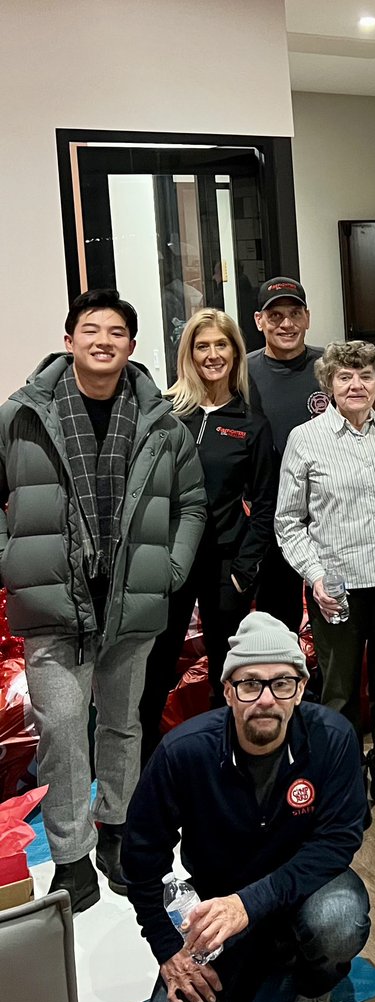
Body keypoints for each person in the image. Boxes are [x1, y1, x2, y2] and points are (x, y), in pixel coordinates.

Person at [0, 289, 206, 913]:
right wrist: (11, 560)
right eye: (90, 329)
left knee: (122, 723)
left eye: (116, 332)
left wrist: (169, 567)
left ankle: (116, 833)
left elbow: (191, 501)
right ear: (69, 340)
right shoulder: (22, 415)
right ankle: (70, 857)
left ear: (132, 346)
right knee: (61, 731)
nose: (103, 340)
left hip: (130, 602)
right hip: (53, 606)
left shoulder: (162, 424)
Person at [123, 612, 370, 1002]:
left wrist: (250, 904)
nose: (266, 700)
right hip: (219, 915)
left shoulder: (334, 739)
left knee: (340, 916)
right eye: (250, 683)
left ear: (300, 688)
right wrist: (167, 947)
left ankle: (315, 989)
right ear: (228, 691)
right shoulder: (184, 752)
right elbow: (140, 861)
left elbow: (338, 841)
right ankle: (267, 962)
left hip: (304, 891)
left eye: (282, 683)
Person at [137, 308, 276, 764]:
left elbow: (265, 504)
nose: (212, 355)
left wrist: (244, 569)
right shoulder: (164, 414)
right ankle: (140, 768)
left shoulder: (251, 425)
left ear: (236, 353)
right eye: (202, 346)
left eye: (221, 345)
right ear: (188, 354)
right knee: (155, 668)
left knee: (226, 670)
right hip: (168, 561)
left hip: (224, 565)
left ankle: (223, 762)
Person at [276, 340, 375, 792]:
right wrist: (314, 576)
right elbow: (288, 523)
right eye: (344, 377)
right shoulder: (305, 439)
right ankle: (342, 778)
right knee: (339, 690)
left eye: (365, 376)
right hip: (336, 589)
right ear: (329, 384)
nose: (356, 385)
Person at [247, 277, 325, 632]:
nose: (287, 324)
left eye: (295, 313)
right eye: (275, 315)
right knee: (278, 619)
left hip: (328, 514)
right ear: (259, 321)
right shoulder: (242, 372)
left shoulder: (332, 368)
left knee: (332, 617)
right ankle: (282, 685)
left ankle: (324, 689)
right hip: (271, 516)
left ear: (308, 317)